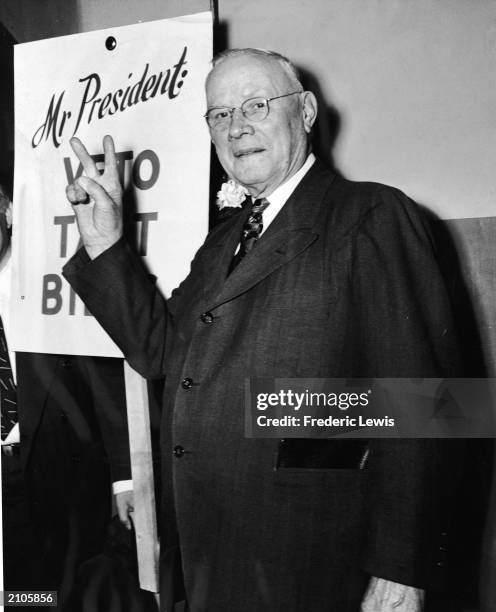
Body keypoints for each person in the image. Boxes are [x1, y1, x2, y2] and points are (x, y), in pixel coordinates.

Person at [63, 49, 461, 611]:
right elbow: (160, 353)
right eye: (219, 115)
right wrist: (106, 244)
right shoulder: (224, 239)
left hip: (317, 561)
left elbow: (431, 407)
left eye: (255, 104)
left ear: (305, 111)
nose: (237, 127)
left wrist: (402, 571)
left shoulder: (372, 214)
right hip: (211, 550)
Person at [0, 180, 134, 609]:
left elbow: (106, 369)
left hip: (55, 474)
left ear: (7, 213)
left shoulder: (55, 280)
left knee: (51, 593)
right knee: (14, 596)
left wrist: (126, 476)